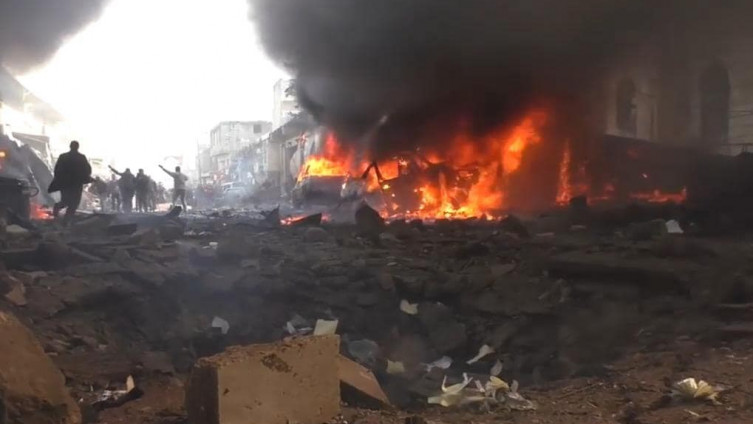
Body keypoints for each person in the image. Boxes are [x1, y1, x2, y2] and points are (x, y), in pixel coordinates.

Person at [48, 141, 92, 223]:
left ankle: (57, 210)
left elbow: (57, 170)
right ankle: (66, 220)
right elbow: (87, 170)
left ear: (70, 146)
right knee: (74, 203)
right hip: (76, 184)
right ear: (78, 147)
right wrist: (86, 178)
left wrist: (59, 180)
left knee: (65, 201)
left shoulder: (63, 156)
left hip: (65, 184)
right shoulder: (81, 157)